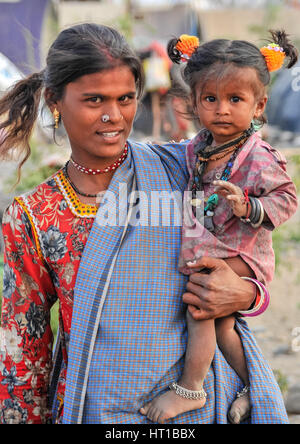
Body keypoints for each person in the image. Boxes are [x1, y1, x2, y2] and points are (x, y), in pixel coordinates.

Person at [0, 23, 289, 424]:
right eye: (94, 99)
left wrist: (245, 295)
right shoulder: (35, 215)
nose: (113, 116)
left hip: (202, 410)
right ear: (54, 100)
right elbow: (22, 350)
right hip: (94, 408)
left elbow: (245, 254)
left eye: (125, 99)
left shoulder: (180, 171)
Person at [140, 31, 298, 424]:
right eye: (210, 99)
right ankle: (252, 388)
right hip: (215, 248)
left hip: (243, 254)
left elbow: (287, 198)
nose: (222, 110)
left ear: (259, 104)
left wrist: (249, 206)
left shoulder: (260, 157)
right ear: (193, 102)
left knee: (201, 307)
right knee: (224, 327)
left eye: (235, 100)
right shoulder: (200, 147)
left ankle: (191, 389)